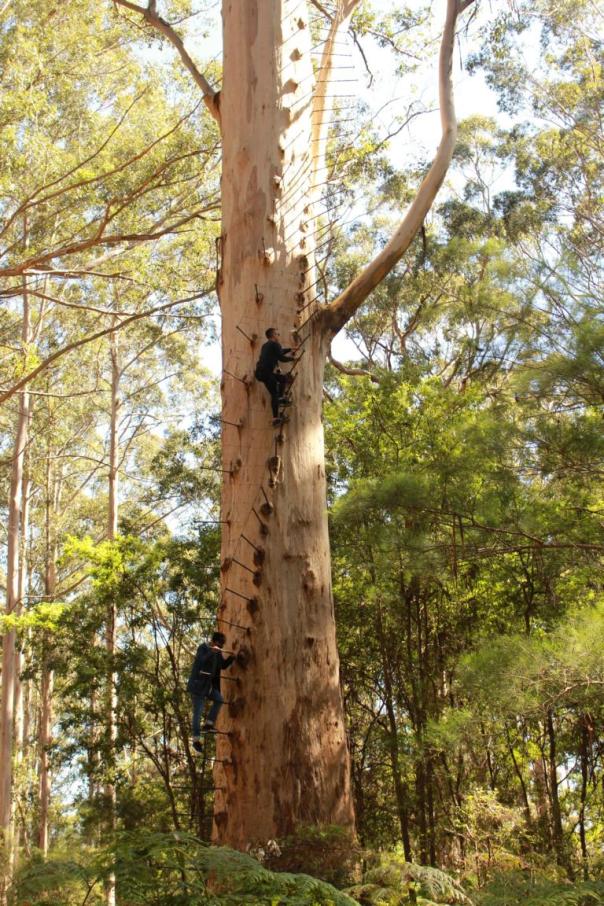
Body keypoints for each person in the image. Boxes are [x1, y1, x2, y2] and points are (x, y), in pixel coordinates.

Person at [187, 631, 234, 751]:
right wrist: (210, 652)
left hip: (207, 687)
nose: (221, 646)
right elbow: (200, 661)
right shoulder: (203, 648)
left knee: (219, 699)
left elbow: (222, 666)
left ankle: (209, 723)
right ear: (214, 641)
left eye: (223, 644)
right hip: (197, 687)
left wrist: (232, 657)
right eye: (220, 643)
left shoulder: (218, 653)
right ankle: (196, 740)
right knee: (197, 713)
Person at [254, 327, 298, 424]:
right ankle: (281, 398)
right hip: (266, 373)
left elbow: (280, 352)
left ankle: (275, 418)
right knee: (279, 386)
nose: (278, 336)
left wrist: (291, 349)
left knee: (280, 382)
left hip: (260, 373)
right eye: (277, 334)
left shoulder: (265, 346)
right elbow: (281, 357)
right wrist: (293, 359)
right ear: (273, 335)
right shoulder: (275, 344)